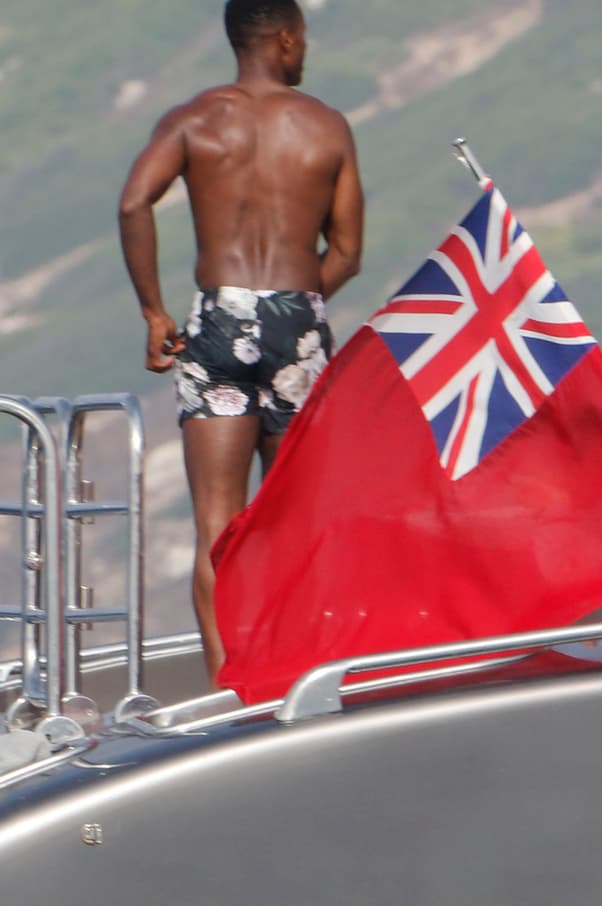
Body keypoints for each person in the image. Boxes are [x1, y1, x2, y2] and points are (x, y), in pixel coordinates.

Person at [118, 0, 364, 684]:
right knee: (296, 521)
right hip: (296, 320)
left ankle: (229, 685)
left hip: (219, 319)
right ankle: (299, 675)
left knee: (217, 523)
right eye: (302, 38)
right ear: (285, 38)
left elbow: (134, 202)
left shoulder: (194, 118)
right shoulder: (326, 126)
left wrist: (155, 313)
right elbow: (347, 252)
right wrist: (293, 309)